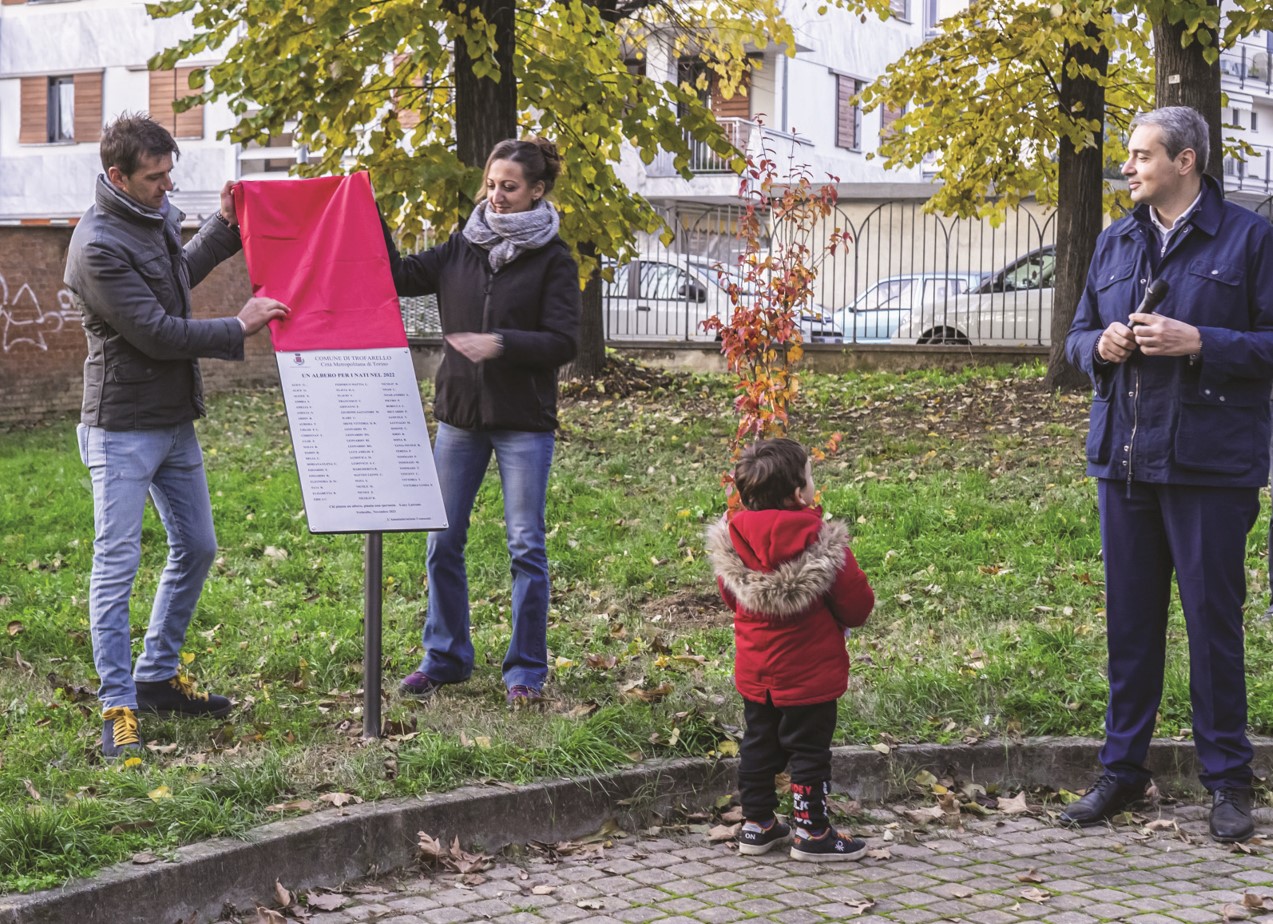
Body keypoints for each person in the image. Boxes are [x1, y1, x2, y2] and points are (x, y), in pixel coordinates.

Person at [1062, 106, 1273, 843]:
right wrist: (1101, 345)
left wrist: (1198, 340)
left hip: (1209, 464)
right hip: (1121, 459)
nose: (1127, 165)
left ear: (1185, 161)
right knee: (1129, 624)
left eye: (1141, 154)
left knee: (1212, 624)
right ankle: (1121, 773)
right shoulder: (1115, 240)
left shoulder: (1249, 238)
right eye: (1126, 154)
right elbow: (1073, 336)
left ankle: (1227, 782)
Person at [64, 113, 289, 759]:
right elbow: (157, 330)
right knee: (117, 565)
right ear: (118, 177)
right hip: (121, 429)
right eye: (155, 178)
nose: (167, 188)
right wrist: (237, 325)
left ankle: (156, 677)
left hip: (171, 420)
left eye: (170, 175)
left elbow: (174, 277)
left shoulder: (151, 217)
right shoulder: (96, 244)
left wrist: (224, 226)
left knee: (197, 546)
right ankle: (117, 706)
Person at [382, 137, 580, 709]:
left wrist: (500, 343)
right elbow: (397, 276)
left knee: (525, 546)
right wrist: (369, 211)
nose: (496, 196)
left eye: (510, 187)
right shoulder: (459, 247)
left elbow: (563, 341)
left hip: (523, 422)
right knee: (442, 538)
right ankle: (444, 659)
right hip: (460, 420)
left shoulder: (554, 260)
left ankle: (524, 670)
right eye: (491, 184)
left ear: (537, 191)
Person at [706, 438, 875, 861]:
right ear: (799, 493)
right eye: (810, 476)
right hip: (810, 676)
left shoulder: (734, 540)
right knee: (809, 752)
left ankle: (756, 824)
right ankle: (812, 832)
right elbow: (856, 606)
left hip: (756, 673)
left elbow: (731, 597)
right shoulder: (821, 542)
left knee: (758, 743)